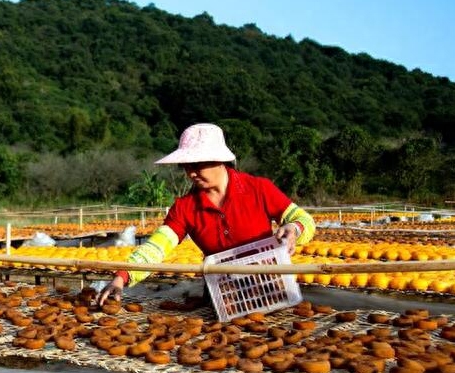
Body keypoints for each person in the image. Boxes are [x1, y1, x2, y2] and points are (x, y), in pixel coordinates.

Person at [95, 123, 315, 306]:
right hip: (224, 297)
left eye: (197, 165)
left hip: (270, 289)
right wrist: (121, 278)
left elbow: (304, 220)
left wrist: (294, 229)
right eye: (186, 166)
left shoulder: (258, 189)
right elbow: (156, 247)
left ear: (219, 160)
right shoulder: (185, 208)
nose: (191, 173)